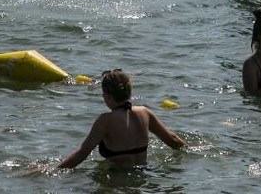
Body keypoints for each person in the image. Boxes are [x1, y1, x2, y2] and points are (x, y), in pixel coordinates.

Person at [57, 69, 186, 168]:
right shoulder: (145, 112)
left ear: (107, 95)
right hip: (143, 177)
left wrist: (54, 170)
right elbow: (173, 140)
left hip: (116, 181)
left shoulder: (105, 120)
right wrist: (192, 149)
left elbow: (82, 154)